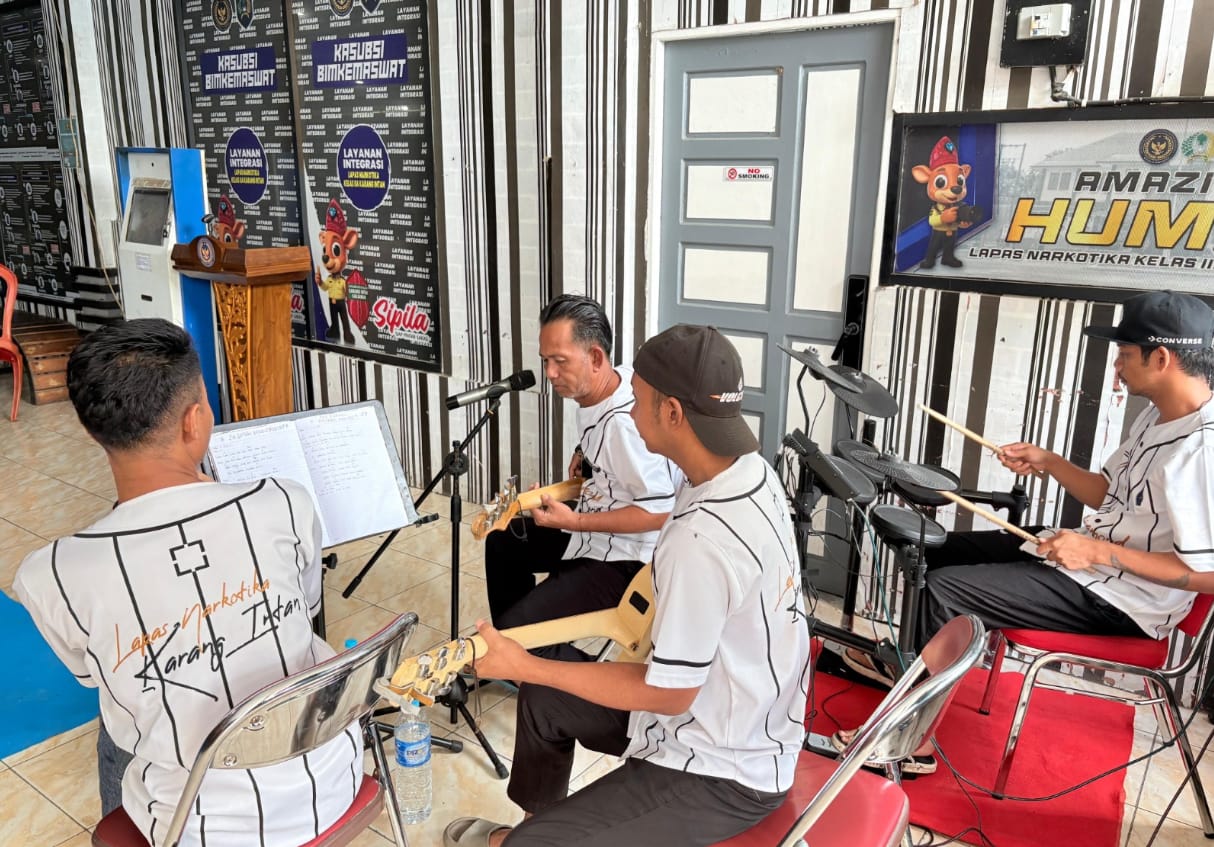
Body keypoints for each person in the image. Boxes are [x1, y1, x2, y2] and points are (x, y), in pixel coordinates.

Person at [444, 324, 811, 847]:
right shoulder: (750, 470)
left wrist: (524, 665)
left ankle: (530, 840)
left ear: (673, 413)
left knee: (538, 689)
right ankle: (535, 826)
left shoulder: (703, 538)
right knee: (544, 699)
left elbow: (669, 694)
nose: (630, 411)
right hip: (720, 714)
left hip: (722, 767)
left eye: (637, 399)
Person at [14, 319, 361, 847]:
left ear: (89, 430)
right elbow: (307, 601)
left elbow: (91, 675)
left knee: (117, 715)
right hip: (333, 781)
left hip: (196, 829)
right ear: (195, 421)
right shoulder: (284, 501)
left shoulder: (50, 575)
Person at [840, 290, 1214, 772]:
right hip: (1097, 567)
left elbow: (1208, 574)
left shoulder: (1201, 452)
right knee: (937, 549)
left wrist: (1098, 554)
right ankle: (910, 668)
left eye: (1124, 355)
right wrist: (1050, 461)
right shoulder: (1157, 415)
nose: (1117, 367)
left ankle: (910, 742)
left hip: (1126, 601)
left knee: (947, 591)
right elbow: (1109, 495)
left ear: (1161, 358)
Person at [483, 294, 681, 659]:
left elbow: (658, 512)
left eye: (560, 361)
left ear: (595, 358)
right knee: (502, 541)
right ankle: (526, 652)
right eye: (545, 360)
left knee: (515, 634)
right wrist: (583, 452)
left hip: (627, 560)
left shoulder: (623, 426)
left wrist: (574, 521)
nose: (550, 373)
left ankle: (566, 672)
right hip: (595, 529)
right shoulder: (618, 380)